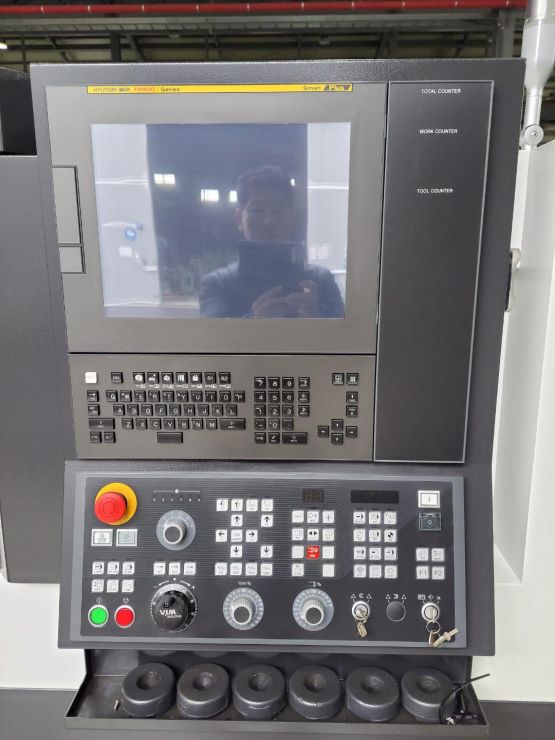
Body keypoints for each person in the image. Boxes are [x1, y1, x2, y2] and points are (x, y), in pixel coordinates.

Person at [199, 165, 345, 318]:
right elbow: (211, 334)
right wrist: (255, 321)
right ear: (239, 219)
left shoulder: (322, 282)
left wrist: (316, 317)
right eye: (257, 211)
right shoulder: (218, 285)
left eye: (278, 211)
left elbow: (349, 333)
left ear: (292, 217)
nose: (268, 221)